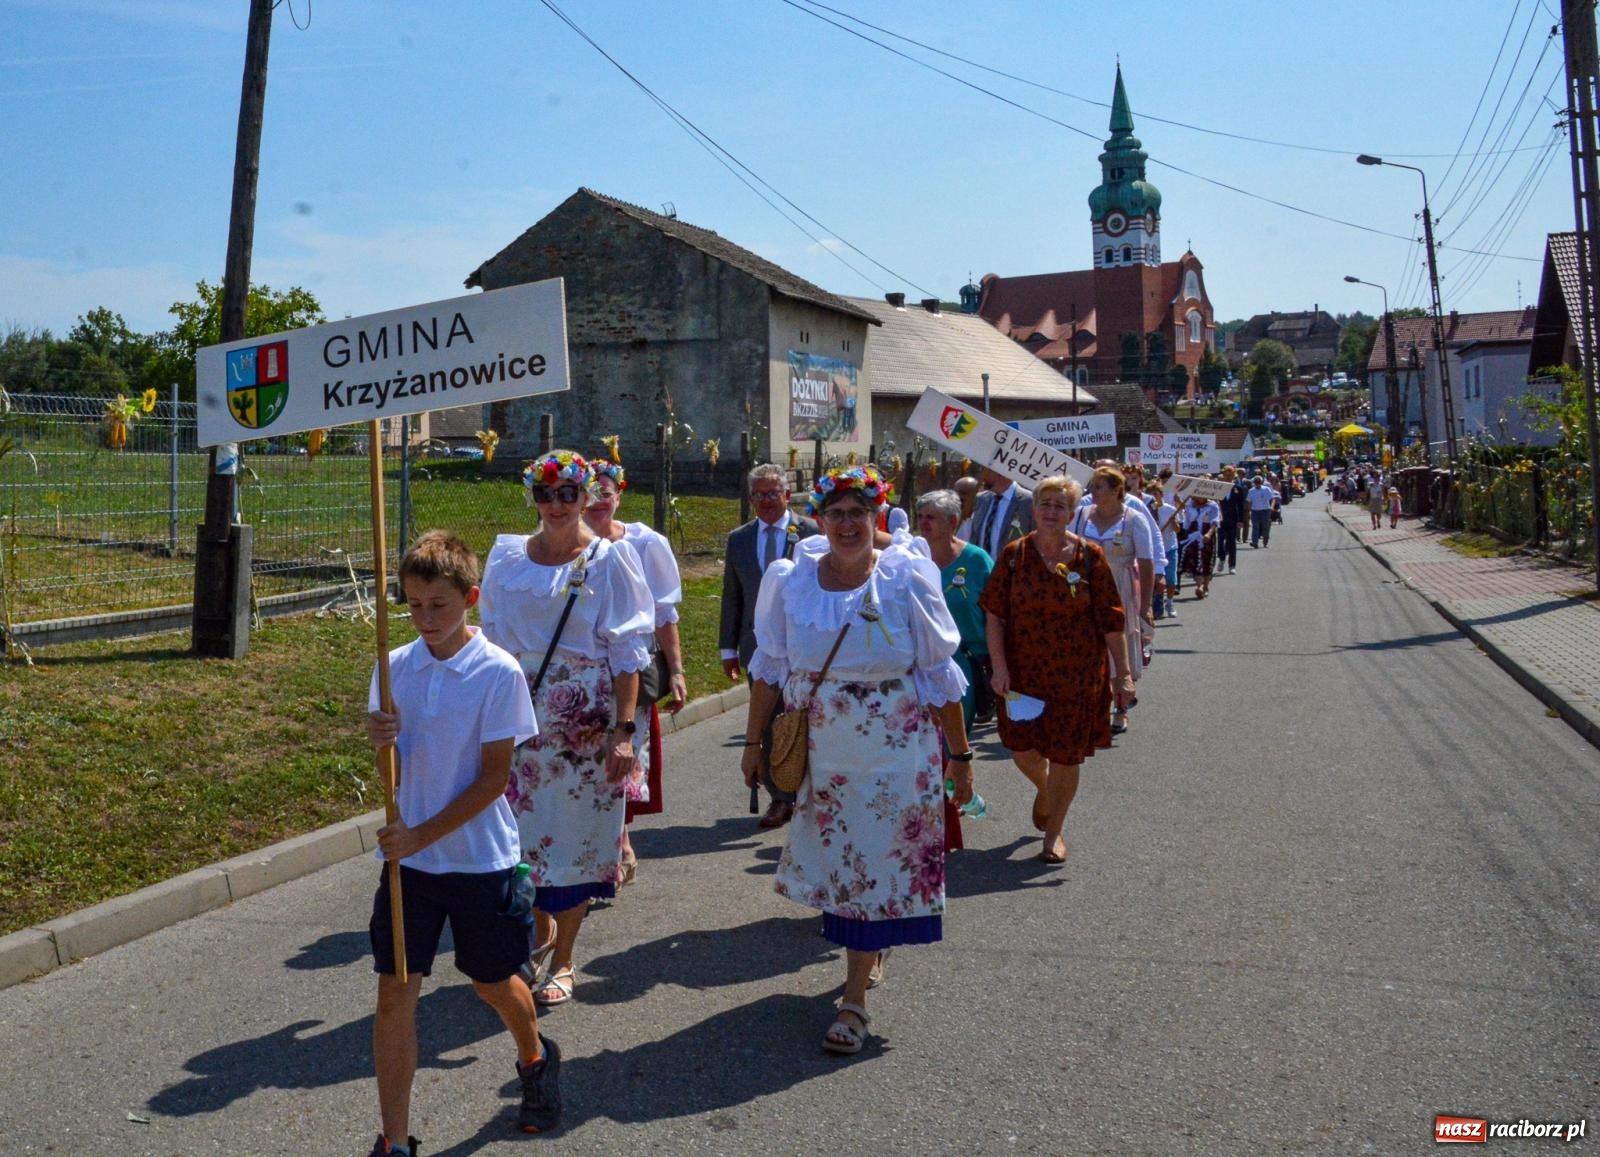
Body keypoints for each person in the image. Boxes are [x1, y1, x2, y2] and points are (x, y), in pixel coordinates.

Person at [739, 464, 973, 1055]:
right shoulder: (791, 581)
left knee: (874, 861)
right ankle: (866, 959)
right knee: (846, 867)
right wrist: (752, 743)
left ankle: (854, 1001)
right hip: (822, 753)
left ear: (878, 518)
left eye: (859, 512)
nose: (848, 524)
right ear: (818, 518)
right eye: (836, 513)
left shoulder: (905, 580)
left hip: (897, 752)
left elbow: (938, 673)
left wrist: (961, 755)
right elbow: (769, 668)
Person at [363, 530, 556, 1151]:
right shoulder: (393, 669)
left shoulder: (497, 672)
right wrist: (382, 745)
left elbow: (494, 778)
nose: (424, 619)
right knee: (395, 995)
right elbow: (393, 779)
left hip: (478, 860)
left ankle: (533, 1057)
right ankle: (395, 1142)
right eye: (413, 606)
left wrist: (420, 834)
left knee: (491, 983)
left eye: (438, 606)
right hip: (408, 868)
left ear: (470, 597)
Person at [479, 451, 655, 1009]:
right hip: (519, 718)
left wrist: (624, 731)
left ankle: (565, 959)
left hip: (586, 726)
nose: (555, 505)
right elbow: (491, 642)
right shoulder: (507, 559)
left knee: (577, 844)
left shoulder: (609, 560)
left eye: (567, 494)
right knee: (522, 843)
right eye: (545, 493)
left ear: (586, 498)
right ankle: (539, 934)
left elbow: (627, 653)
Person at [980, 475, 1133, 863]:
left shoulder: (1090, 556)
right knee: (1020, 747)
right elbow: (995, 615)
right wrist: (998, 667)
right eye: (1044, 503)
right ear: (1034, 510)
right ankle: (1045, 789)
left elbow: (1111, 620)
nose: (1051, 511)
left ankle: (1054, 832)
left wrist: (1123, 674)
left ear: (1071, 512)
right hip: (1023, 673)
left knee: (1067, 754)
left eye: (1059, 505)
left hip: (1077, 675)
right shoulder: (1015, 555)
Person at [582, 458, 687, 885]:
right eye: (587, 495)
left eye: (604, 493)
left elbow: (664, 615)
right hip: (582, 671)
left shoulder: (644, 544)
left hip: (631, 666)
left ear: (619, 496)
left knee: (625, 752)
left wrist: (676, 670)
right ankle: (590, 838)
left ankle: (620, 837)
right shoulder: (565, 546)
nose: (596, 503)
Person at [719, 463, 821, 827]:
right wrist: (727, 648)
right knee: (766, 720)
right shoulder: (740, 538)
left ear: (787, 495)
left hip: (805, 644)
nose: (766, 500)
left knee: (806, 719)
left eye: (773, 493)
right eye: (759, 494)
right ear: (750, 499)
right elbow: (733, 597)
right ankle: (780, 798)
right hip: (758, 647)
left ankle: (810, 790)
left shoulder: (810, 533)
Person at [1070, 465, 1155, 734]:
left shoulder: (1134, 519)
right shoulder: (1082, 516)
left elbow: (1146, 562)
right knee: (1088, 646)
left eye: (1098, 486)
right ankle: (1094, 704)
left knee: (1121, 647)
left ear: (1116, 490)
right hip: (1086, 590)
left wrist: (1146, 604)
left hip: (1121, 588)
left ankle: (1121, 705)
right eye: (1091, 486)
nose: (1091, 491)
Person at [915, 488, 994, 730]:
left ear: (952, 521)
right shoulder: (911, 558)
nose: (923, 522)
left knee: (952, 743)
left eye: (931, 517)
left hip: (964, 662)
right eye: (920, 516)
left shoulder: (976, 560)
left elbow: (996, 615)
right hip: (919, 663)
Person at [969, 467, 1034, 561]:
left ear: (1002, 474)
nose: (983, 476)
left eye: (988, 471)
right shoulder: (981, 499)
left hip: (1012, 570)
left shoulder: (1029, 501)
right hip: (981, 569)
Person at [1145, 483, 1180, 620]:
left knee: (1171, 579)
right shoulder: (1146, 510)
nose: (1154, 497)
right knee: (1155, 581)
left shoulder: (1170, 509)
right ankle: (1153, 607)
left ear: (1161, 495)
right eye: (1151, 495)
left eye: (1156, 494)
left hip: (1170, 548)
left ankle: (1170, 603)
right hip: (1153, 549)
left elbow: (1178, 530)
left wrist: (1173, 522)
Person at [1179, 490, 1221, 599]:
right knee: (1194, 558)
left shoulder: (1213, 505)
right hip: (1193, 534)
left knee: (1206, 558)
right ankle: (1200, 586)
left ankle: (1205, 586)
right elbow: (1186, 522)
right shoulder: (1189, 505)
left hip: (1207, 533)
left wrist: (1209, 534)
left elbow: (1215, 522)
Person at [1217, 465, 1245, 574]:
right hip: (1220, 519)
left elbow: (1240, 505)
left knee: (1231, 542)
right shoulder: (1218, 487)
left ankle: (1232, 565)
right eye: (1226, 475)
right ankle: (1222, 558)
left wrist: (1241, 520)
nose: (1228, 477)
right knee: (1220, 542)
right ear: (1223, 475)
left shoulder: (1238, 488)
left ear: (1234, 475)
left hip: (1233, 519)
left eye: (1231, 475)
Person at [1247, 474, 1277, 547]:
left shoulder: (1266, 489)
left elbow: (1272, 499)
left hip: (1265, 510)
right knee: (1255, 527)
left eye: (1259, 482)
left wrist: (1271, 507)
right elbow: (1249, 501)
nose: (1257, 483)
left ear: (1261, 482)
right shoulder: (1251, 491)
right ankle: (1255, 542)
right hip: (1255, 511)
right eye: (1256, 482)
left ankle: (1265, 542)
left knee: (1265, 527)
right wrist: (1249, 511)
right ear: (1254, 482)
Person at [953, 474, 980, 540]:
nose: (959, 497)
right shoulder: (950, 519)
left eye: (963, 493)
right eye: (956, 492)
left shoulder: (981, 519)